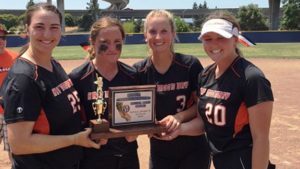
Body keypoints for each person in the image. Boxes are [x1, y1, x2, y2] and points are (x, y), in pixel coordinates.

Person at [0, 3, 104, 169]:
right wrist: (75, 139)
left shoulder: (52, 63)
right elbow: (20, 143)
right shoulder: (24, 78)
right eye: (39, 27)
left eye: (54, 27)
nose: (47, 34)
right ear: (27, 30)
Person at [197, 11, 275, 169]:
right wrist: (175, 128)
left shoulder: (252, 78)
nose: (214, 44)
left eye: (221, 38)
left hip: (244, 162)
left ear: (235, 39)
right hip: (220, 161)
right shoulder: (205, 75)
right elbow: (203, 123)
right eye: (208, 39)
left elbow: (260, 138)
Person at [133, 9, 210, 169]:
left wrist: (179, 117)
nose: (158, 37)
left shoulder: (190, 65)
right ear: (145, 35)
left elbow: (202, 107)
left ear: (173, 33)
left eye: (164, 31)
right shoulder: (138, 71)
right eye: (152, 31)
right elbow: (135, 113)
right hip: (160, 150)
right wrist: (148, 125)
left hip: (194, 148)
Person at [69, 16, 140, 169]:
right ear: (93, 43)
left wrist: (137, 130)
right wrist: (91, 134)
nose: (112, 48)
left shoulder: (132, 75)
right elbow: (73, 121)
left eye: (117, 43)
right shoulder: (78, 77)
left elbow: (138, 113)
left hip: (127, 156)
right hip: (92, 157)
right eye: (104, 43)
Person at [0, 24, 18, 162]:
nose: (1, 40)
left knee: (14, 150)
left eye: (3, 37)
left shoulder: (15, 57)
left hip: (10, 113)